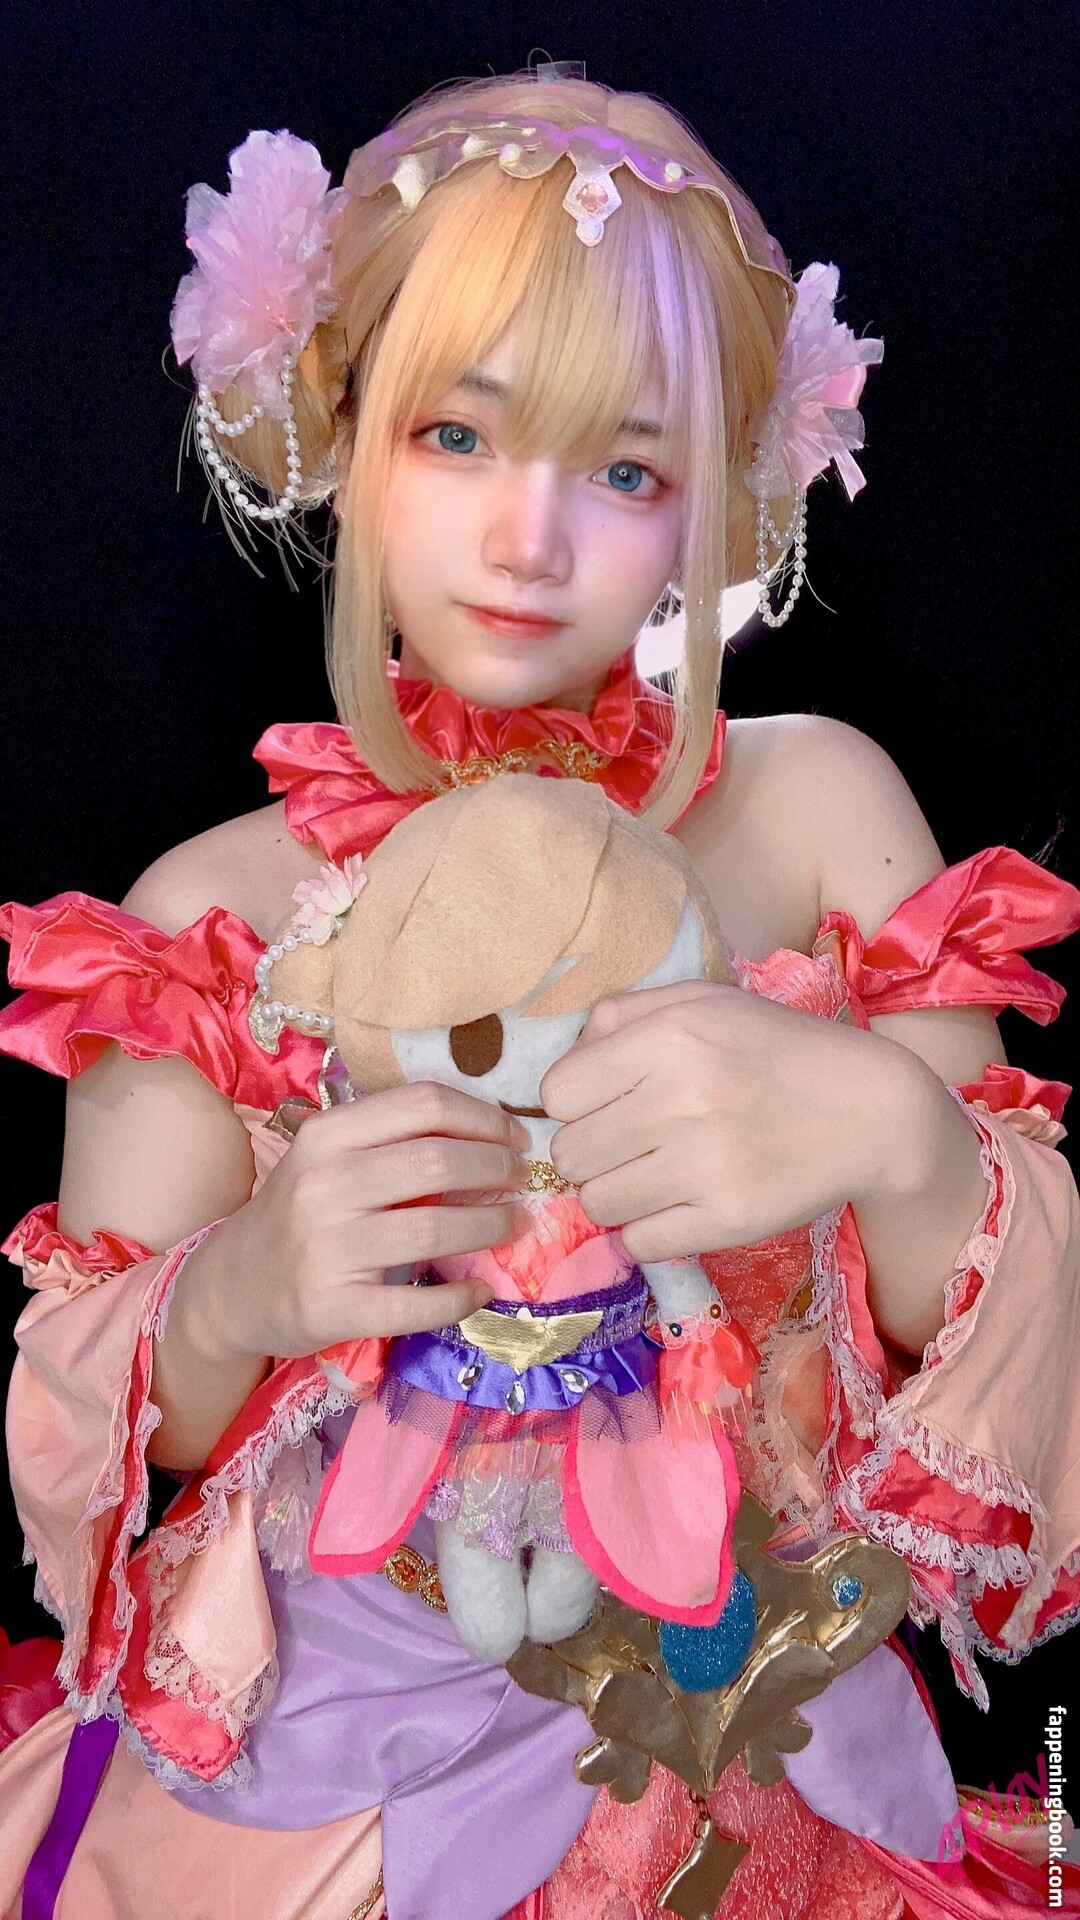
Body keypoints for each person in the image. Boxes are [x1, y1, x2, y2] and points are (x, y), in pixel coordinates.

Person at [0, 61, 1078, 1920]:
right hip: (337, 1790)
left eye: (625, 469)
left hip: (760, 1760)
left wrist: (901, 1143)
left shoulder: (823, 811)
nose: (529, 539)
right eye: (459, 436)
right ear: (345, 427)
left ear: (713, 509)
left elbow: (1014, 1370)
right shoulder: (209, 919)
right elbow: (102, 1434)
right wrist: (242, 1286)